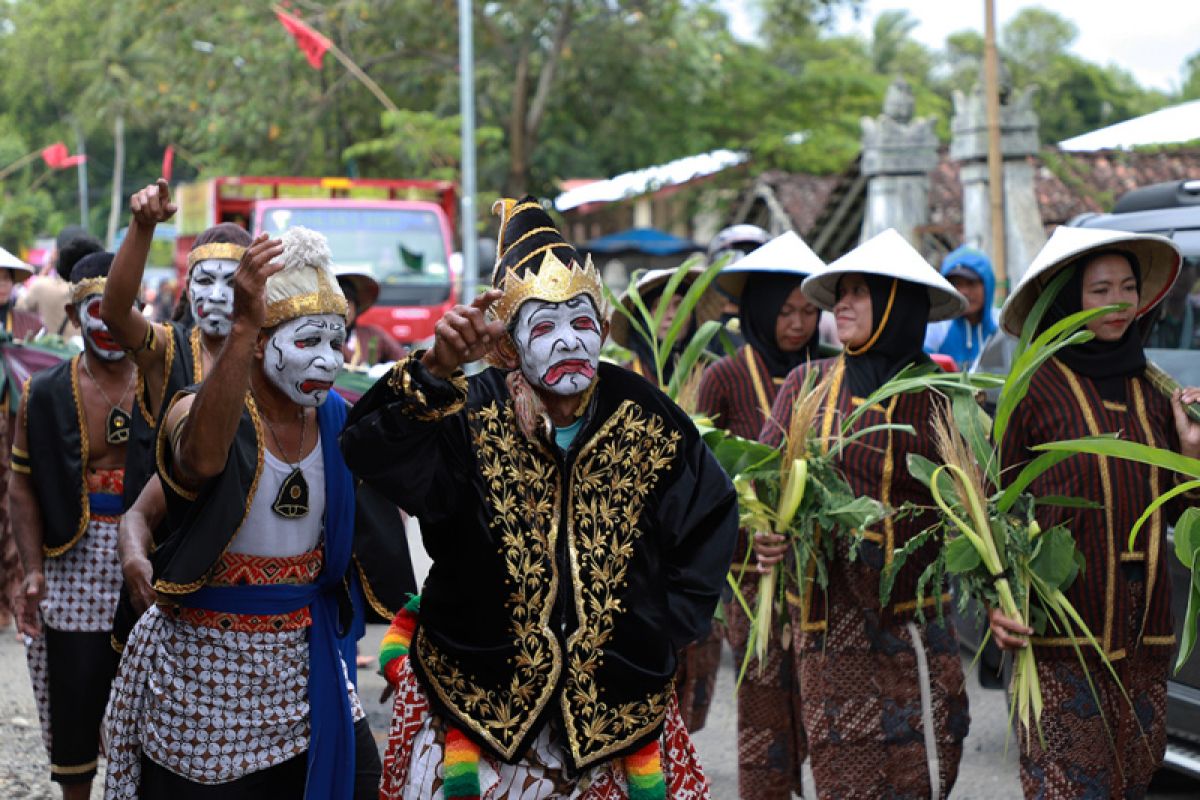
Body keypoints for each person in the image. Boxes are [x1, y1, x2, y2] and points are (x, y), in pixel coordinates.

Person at [342, 196, 738, 798]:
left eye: (581, 324)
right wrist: (433, 372)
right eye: (544, 326)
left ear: (603, 329)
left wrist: (658, 627)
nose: (567, 343)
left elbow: (710, 515)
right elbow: (370, 453)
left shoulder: (645, 414)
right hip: (478, 702)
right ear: (508, 347)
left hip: (614, 709)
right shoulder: (466, 411)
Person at [103, 226, 410, 799]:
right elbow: (187, 469)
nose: (326, 359)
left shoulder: (339, 423)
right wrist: (132, 552)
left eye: (335, 341)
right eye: (306, 341)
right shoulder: (199, 409)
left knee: (363, 784)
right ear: (263, 342)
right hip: (205, 671)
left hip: (304, 661)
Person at [756, 228, 971, 799]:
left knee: (926, 771)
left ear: (898, 305)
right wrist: (764, 534)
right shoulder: (808, 386)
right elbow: (763, 487)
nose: (840, 306)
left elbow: (980, 507)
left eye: (859, 293)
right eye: (841, 292)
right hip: (831, 632)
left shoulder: (940, 398)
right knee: (846, 784)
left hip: (915, 626)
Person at [988, 227, 1200, 799]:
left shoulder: (1156, 392)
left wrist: (1191, 452)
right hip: (1058, 641)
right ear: (1065, 301)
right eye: (1099, 288)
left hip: (1145, 638)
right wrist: (995, 601)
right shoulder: (1031, 388)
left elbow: (1186, 509)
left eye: (1129, 287)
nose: (1118, 302)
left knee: (1132, 784)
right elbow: (991, 512)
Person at [697, 230, 826, 799]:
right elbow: (700, 478)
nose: (797, 324)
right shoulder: (725, 376)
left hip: (818, 569)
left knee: (824, 706)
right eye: (785, 312)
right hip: (752, 574)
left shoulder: (831, 373)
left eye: (808, 311)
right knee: (764, 704)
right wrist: (745, 536)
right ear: (758, 311)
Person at [10, 251, 131, 799]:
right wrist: (32, 572)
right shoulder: (46, 392)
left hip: (151, 565)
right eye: (94, 311)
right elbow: (22, 487)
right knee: (74, 695)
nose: (106, 324)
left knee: (154, 700)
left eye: (119, 309)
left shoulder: (169, 381)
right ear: (76, 315)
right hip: (72, 563)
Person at [101, 179, 253, 511]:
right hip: (170, 533)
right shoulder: (167, 350)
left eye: (231, 283)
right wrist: (143, 227)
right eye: (205, 281)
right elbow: (113, 313)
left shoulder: (269, 356)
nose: (216, 296)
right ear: (188, 288)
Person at [609, 264, 724, 385]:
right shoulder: (625, 380)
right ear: (642, 319)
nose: (672, 316)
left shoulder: (709, 375)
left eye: (679, 305)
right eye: (659, 307)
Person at [923, 244, 1000, 370]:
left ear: (988, 284)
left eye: (971, 283)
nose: (963, 291)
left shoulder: (1003, 327)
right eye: (956, 284)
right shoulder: (937, 327)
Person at [18, 226, 93, 338]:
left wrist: (48, 266)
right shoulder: (97, 291)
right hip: (84, 355)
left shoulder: (42, 287)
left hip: (53, 354)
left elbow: (19, 309)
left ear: (56, 253)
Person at [334, 265, 404, 366]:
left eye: (348, 303)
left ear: (356, 306)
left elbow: (405, 362)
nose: (343, 310)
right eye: (337, 304)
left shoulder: (374, 335)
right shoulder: (321, 339)